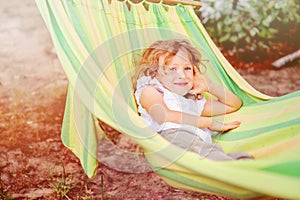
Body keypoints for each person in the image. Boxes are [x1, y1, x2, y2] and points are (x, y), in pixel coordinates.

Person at [133, 39, 252, 160]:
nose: (182, 75)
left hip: (198, 143)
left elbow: (233, 105)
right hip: (170, 137)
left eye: (187, 68)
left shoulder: (191, 101)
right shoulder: (152, 90)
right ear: (155, 73)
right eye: (172, 69)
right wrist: (208, 122)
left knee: (209, 152)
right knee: (202, 153)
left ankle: (231, 164)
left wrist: (209, 86)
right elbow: (163, 116)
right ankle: (231, 167)